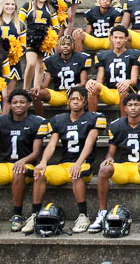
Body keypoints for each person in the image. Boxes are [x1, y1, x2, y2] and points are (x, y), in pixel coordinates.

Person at [31, 87, 107, 234]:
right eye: (73, 99)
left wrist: (78, 163)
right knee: (40, 173)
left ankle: (83, 215)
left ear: (85, 102)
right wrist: (43, 162)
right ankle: (35, 214)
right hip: (64, 164)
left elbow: (89, 143)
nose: (76, 102)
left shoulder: (94, 118)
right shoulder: (59, 120)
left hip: (84, 164)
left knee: (75, 173)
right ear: (68, 102)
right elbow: (52, 145)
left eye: (79, 99)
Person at [0, 90, 47, 233]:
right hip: (5, 164)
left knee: (18, 171)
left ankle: (17, 214)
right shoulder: (0, 122)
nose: (19, 105)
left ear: (28, 104)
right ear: (10, 105)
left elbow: (36, 152)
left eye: (22, 102)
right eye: (15, 102)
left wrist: (23, 161)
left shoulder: (36, 122)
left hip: (26, 165)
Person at [88, 93, 140, 234]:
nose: (133, 108)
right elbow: (111, 152)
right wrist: (109, 158)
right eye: (130, 105)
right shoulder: (117, 126)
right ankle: (102, 212)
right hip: (123, 167)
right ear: (125, 108)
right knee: (104, 169)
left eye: (136, 105)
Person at [85, 26, 140, 112]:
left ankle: (124, 122)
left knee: (123, 88)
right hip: (110, 92)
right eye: (115, 37)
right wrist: (92, 82)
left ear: (126, 39)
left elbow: (134, 81)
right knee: (93, 87)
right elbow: (100, 81)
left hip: (127, 91)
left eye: (121, 38)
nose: (118, 40)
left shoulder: (133, 54)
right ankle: (93, 117)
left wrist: (127, 81)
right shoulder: (103, 56)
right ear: (111, 38)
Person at [35, 34, 92, 116]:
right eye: (63, 44)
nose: (65, 46)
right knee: (36, 93)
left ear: (73, 46)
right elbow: (45, 84)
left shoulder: (81, 58)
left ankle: (88, 117)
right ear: (58, 46)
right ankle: (40, 120)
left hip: (75, 93)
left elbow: (83, 82)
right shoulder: (51, 60)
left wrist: (74, 88)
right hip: (59, 94)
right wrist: (38, 86)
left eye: (68, 44)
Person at [19, 0, 60, 92]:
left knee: (41, 67)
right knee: (31, 63)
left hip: (43, 40)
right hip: (30, 39)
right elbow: (19, 22)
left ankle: (36, 90)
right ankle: (25, 90)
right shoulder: (28, 5)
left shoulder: (50, 9)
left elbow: (56, 26)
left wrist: (49, 35)